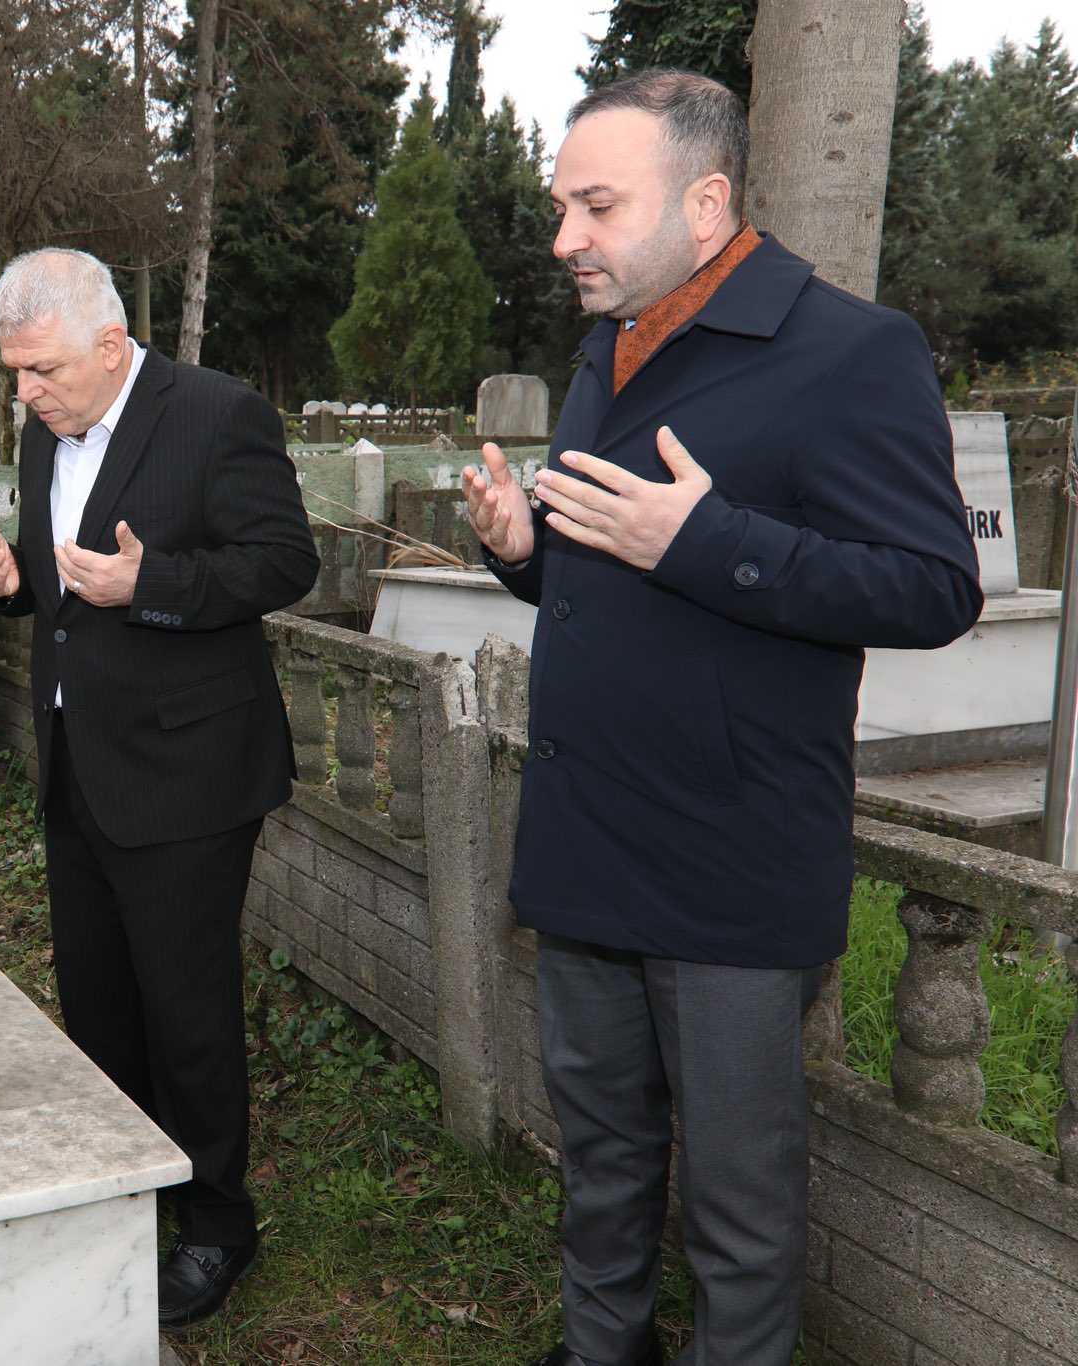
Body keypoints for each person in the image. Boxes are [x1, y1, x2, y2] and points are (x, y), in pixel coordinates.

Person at [459, 69, 982, 1366]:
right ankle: (602, 1348)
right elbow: (607, 573)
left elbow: (931, 587)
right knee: (601, 1158)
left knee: (739, 1206)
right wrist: (524, 549)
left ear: (704, 203)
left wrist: (705, 540)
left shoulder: (853, 349)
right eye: (560, 208)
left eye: (594, 207)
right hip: (584, 843)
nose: (564, 238)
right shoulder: (610, 342)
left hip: (729, 862)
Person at [0, 247, 317, 1330]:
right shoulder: (47, 424)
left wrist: (150, 582)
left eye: (43, 371)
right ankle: (129, 1190)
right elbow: (60, 582)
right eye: (16, 374)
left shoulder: (217, 414)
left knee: (185, 1009)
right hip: (79, 761)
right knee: (98, 1002)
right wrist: (13, 581)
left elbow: (284, 562)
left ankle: (216, 1224)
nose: (26, 395)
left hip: (186, 772)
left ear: (111, 346)